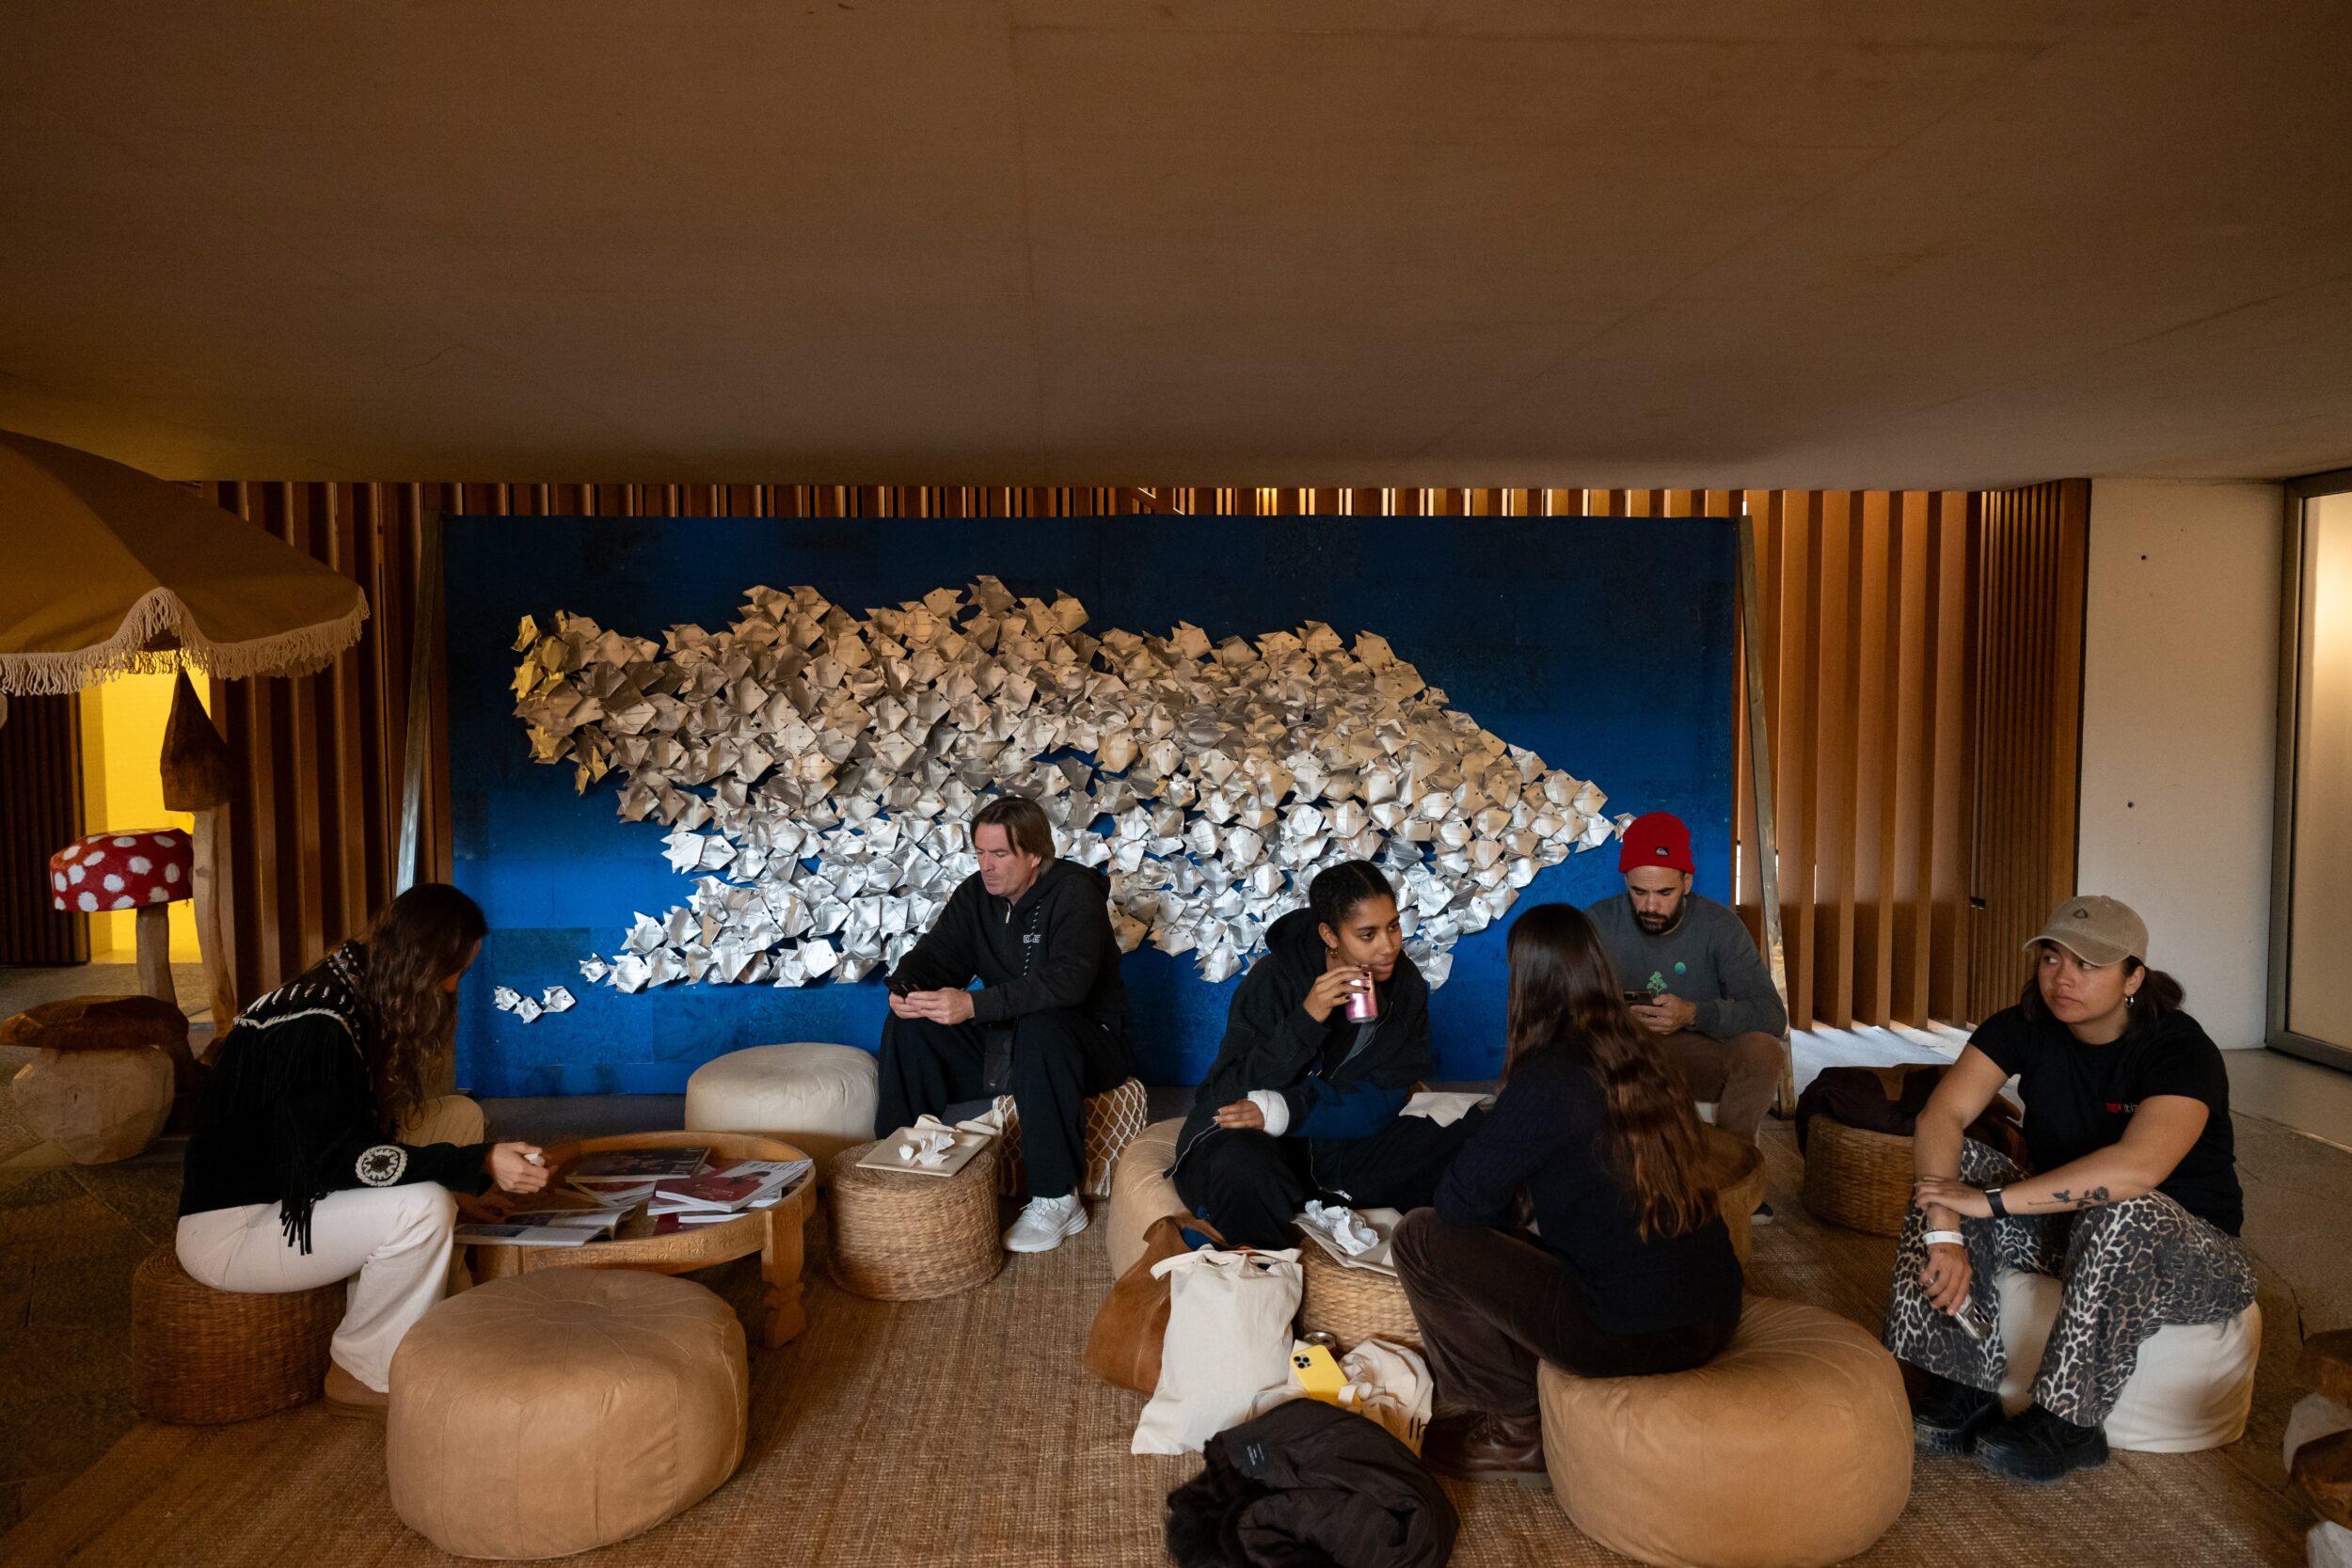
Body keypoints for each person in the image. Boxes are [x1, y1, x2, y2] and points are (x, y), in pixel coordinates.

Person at [1885, 895, 2255, 1483]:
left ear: (2133, 977)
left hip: (2192, 1255)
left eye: (2088, 964)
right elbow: (1942, 1116)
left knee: (2123, 1210)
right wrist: (1945, 1232)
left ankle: (2069, 1422)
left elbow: (2137, 1169)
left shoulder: (2180, 1048)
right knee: (1953, 1172)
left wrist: (1991, 1203)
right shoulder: (2024, 1025)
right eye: (2052, 958)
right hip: (2069, 1230)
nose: (2063, 978)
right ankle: (1960, 1379)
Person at [1391, 902, 1743, 1483]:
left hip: (1631, 1335)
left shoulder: (1547, 1081)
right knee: (1527, 1231)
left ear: (1527, 984)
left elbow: (1459, 1205)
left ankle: (1515, 1432)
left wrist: (1496, 1149)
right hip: (1715, 1311)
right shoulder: (1643, 1057)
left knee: (1421, 1237)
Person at [175, 883, 551, 1414]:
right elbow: (340, 1163)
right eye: (454, 972)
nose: (451, 987)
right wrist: (479, 1162)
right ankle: (365, 1370)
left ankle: (441, 1309)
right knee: (423, 1207)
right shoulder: (317, 1025)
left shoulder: (345, 989)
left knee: (458, 1115)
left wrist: (466, 1184)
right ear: (420, 964)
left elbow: (342, 1139)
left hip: (293, 1190)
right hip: (238, 1228)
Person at [1168, 861, 1479, 1252]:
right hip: (1262, 1144)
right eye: (1367, 934)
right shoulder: (1275, 979)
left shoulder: (1405, 986)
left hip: (1339, 1142)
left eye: (1393, 926)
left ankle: (1330, 1208)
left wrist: (1291, 1109)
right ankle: (1259, 1258)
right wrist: (1307, 1019)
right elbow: (1224, 1092)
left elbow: (1383, 1100)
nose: (1389, 947)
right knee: (1242, 1166)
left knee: (1474, 1133)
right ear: (1329, 935)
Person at [879, 793, 1134, 1253]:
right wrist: (906, 987)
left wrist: (973, 1005)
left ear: (1035, 854)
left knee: (1043, 1024)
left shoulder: (1075, 893)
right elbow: (937, 955)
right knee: (911, 1024)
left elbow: (1067, 983)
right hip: (1010, 1043)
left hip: (1085, 1045)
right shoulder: (976, 895)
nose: (986, 865)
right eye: (980, 852)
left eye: (999, 853)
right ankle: (902, 1161)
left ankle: (1057, 1197)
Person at [1585, 812, 1788, 1163]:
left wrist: (1695, 1014)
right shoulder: (1597, 923)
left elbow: (1771, 1014)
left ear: (1687, 882)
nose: (1651, 906)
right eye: (1639, 892)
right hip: (1619, 1056)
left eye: (1665, 892)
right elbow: (1563, 1006)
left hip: (1694, 1055)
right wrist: (1616, 1018)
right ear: (1626, 881)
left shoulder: (1721, 926)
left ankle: (1732, 1165)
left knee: (1764, 1051)